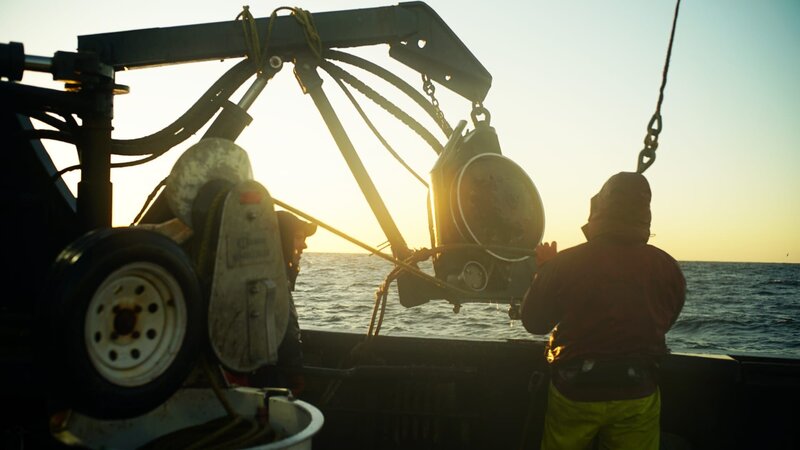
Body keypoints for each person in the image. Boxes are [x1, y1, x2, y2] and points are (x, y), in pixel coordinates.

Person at [520, 172, 685, 450]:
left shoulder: (565, 263)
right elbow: (666, 319)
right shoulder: (668, 267)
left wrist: (544, 271)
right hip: (638, 391)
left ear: (598, 209)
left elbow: (534, 322)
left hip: (575, 391)